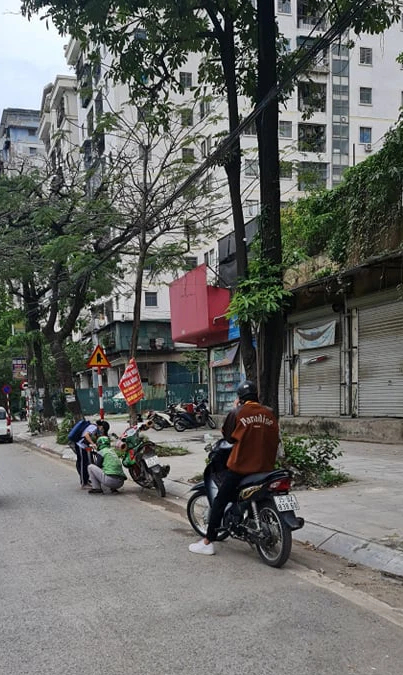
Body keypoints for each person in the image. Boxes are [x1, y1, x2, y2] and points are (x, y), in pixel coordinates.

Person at [189, 380, 279, 556]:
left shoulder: (238, 412)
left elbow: (228, 437)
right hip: (267, 468)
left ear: (240, 398)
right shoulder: (269, 413)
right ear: (256, 396)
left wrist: (235, 409)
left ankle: (207, 542)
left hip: (243, 468)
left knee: (220, 501)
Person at [75, 419, 110, 489]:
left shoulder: (95, 429)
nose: (102, 431)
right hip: (80, 445)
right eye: (103, 430)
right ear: (102, 427)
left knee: (86, 463)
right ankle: (83, 483)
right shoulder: (93, 427)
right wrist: (93, 444)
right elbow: (86, 435)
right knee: (83, 464)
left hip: (84, 446)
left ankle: (86, 480)